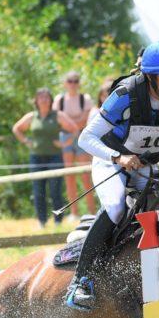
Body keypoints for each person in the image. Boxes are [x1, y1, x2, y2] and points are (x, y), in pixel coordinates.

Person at [65, 40, 159, 311]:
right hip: (110, 160)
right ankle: (81, 282)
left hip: (145, 165)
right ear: (150, 76)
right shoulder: (125, 96)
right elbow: (85, 138)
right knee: (115, 207)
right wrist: (118, 157)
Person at [12, 88, 79, 229]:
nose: (44, 100)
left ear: (51, 100)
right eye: (41, 97)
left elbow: (74, 129)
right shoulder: (32, 116)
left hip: (54, 157)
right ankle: (42, 221)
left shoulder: (58, 115)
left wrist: (65, 143)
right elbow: (16, 128)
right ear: (36, 100)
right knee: (38, 191)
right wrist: (26, 141)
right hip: (36, 158)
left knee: (55, 190)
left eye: (47, 97)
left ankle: (58, 221)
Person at [54, 71, 96, 220]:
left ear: (78, 83)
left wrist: (70, 124)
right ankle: (74, 213)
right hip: (66, 138)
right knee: (69, 176)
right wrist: (73, 125)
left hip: (81, 137)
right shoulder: (59, 100)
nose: (72, 84)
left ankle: (92, 212)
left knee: (86, 175)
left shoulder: (85, 99)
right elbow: (59, 120)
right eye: (69, 81)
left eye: (75, 81)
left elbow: (84, 121)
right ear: (65, 83)